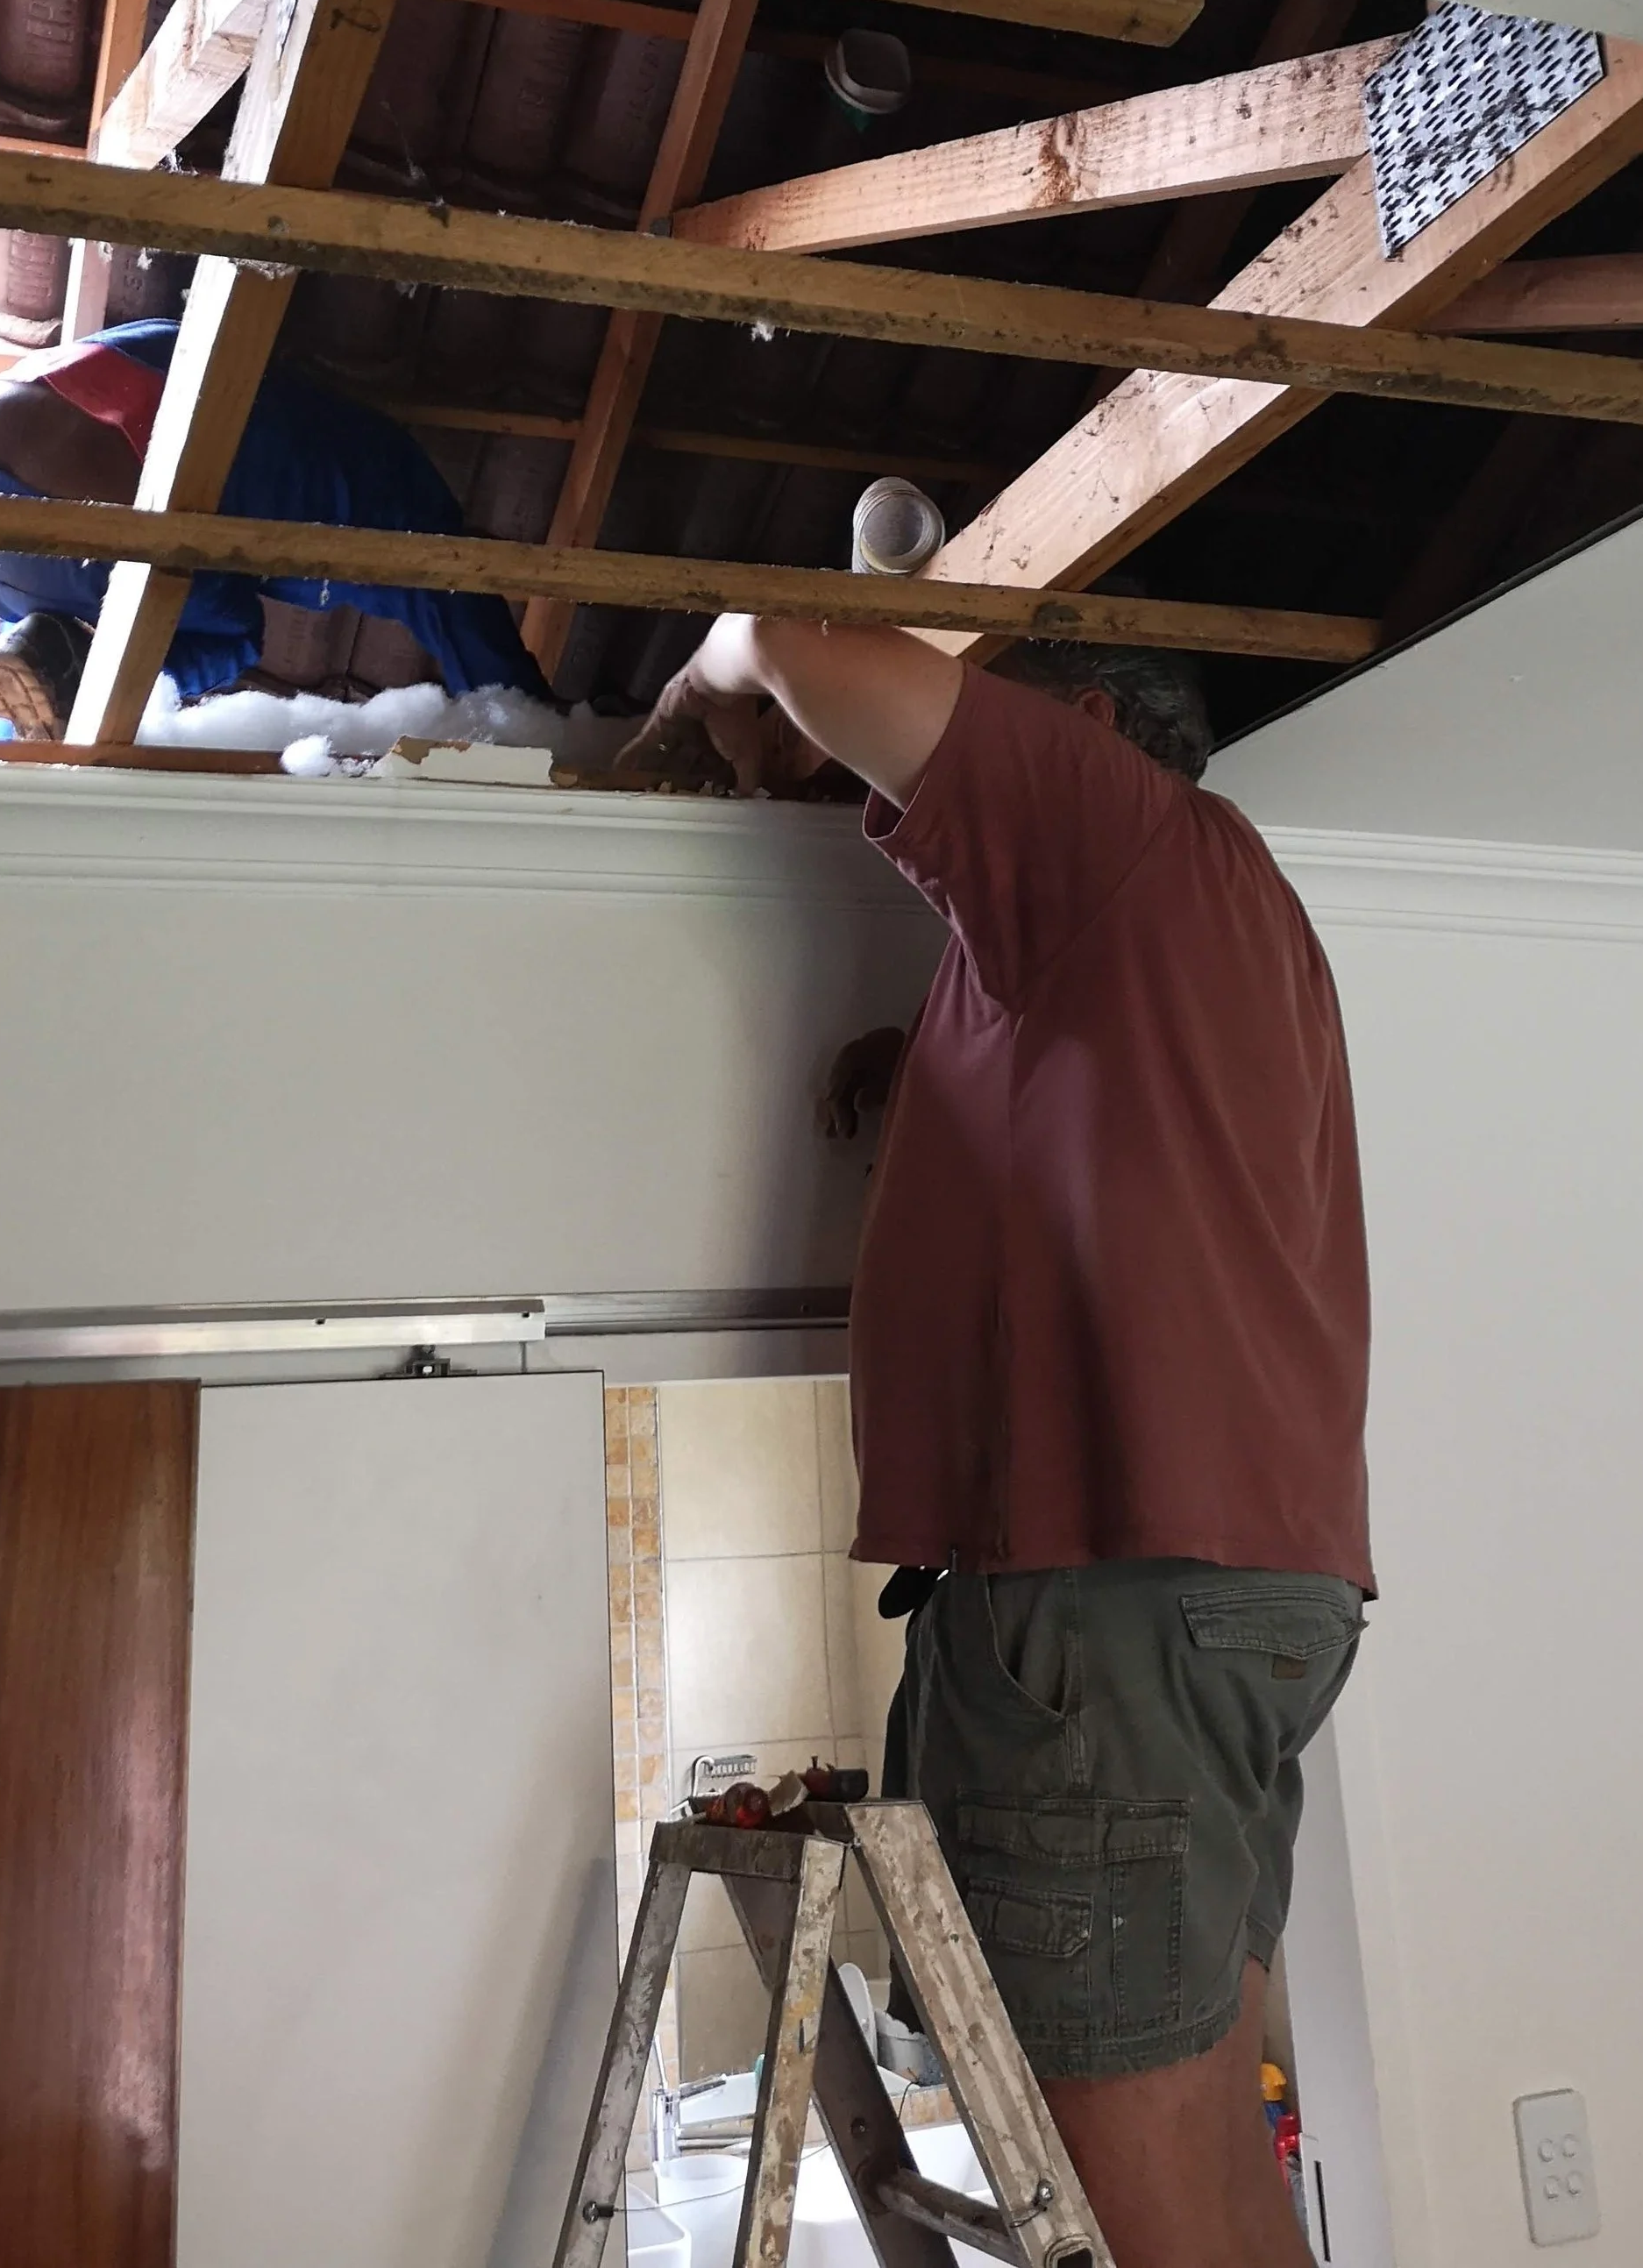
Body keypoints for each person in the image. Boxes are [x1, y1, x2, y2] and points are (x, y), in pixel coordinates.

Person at [623, 620, 1371, 2268]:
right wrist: (917, 1066)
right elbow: (1089, 1124)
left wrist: (724, 666)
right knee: (1202, 2159)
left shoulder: (1122, 828)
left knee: (1132, 2183)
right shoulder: (1181, 920)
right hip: (1225, 1598)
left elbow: (812, 644)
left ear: (1090, 723)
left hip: (1117, 1601)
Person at [0, 318, 551, 736]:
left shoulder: (391, 506)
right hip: (71, 506)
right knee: (459, 609)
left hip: (36, 523)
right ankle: (539, 746)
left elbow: (237, 629)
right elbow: (234, 628)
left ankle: (538, 748)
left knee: (449, 592)